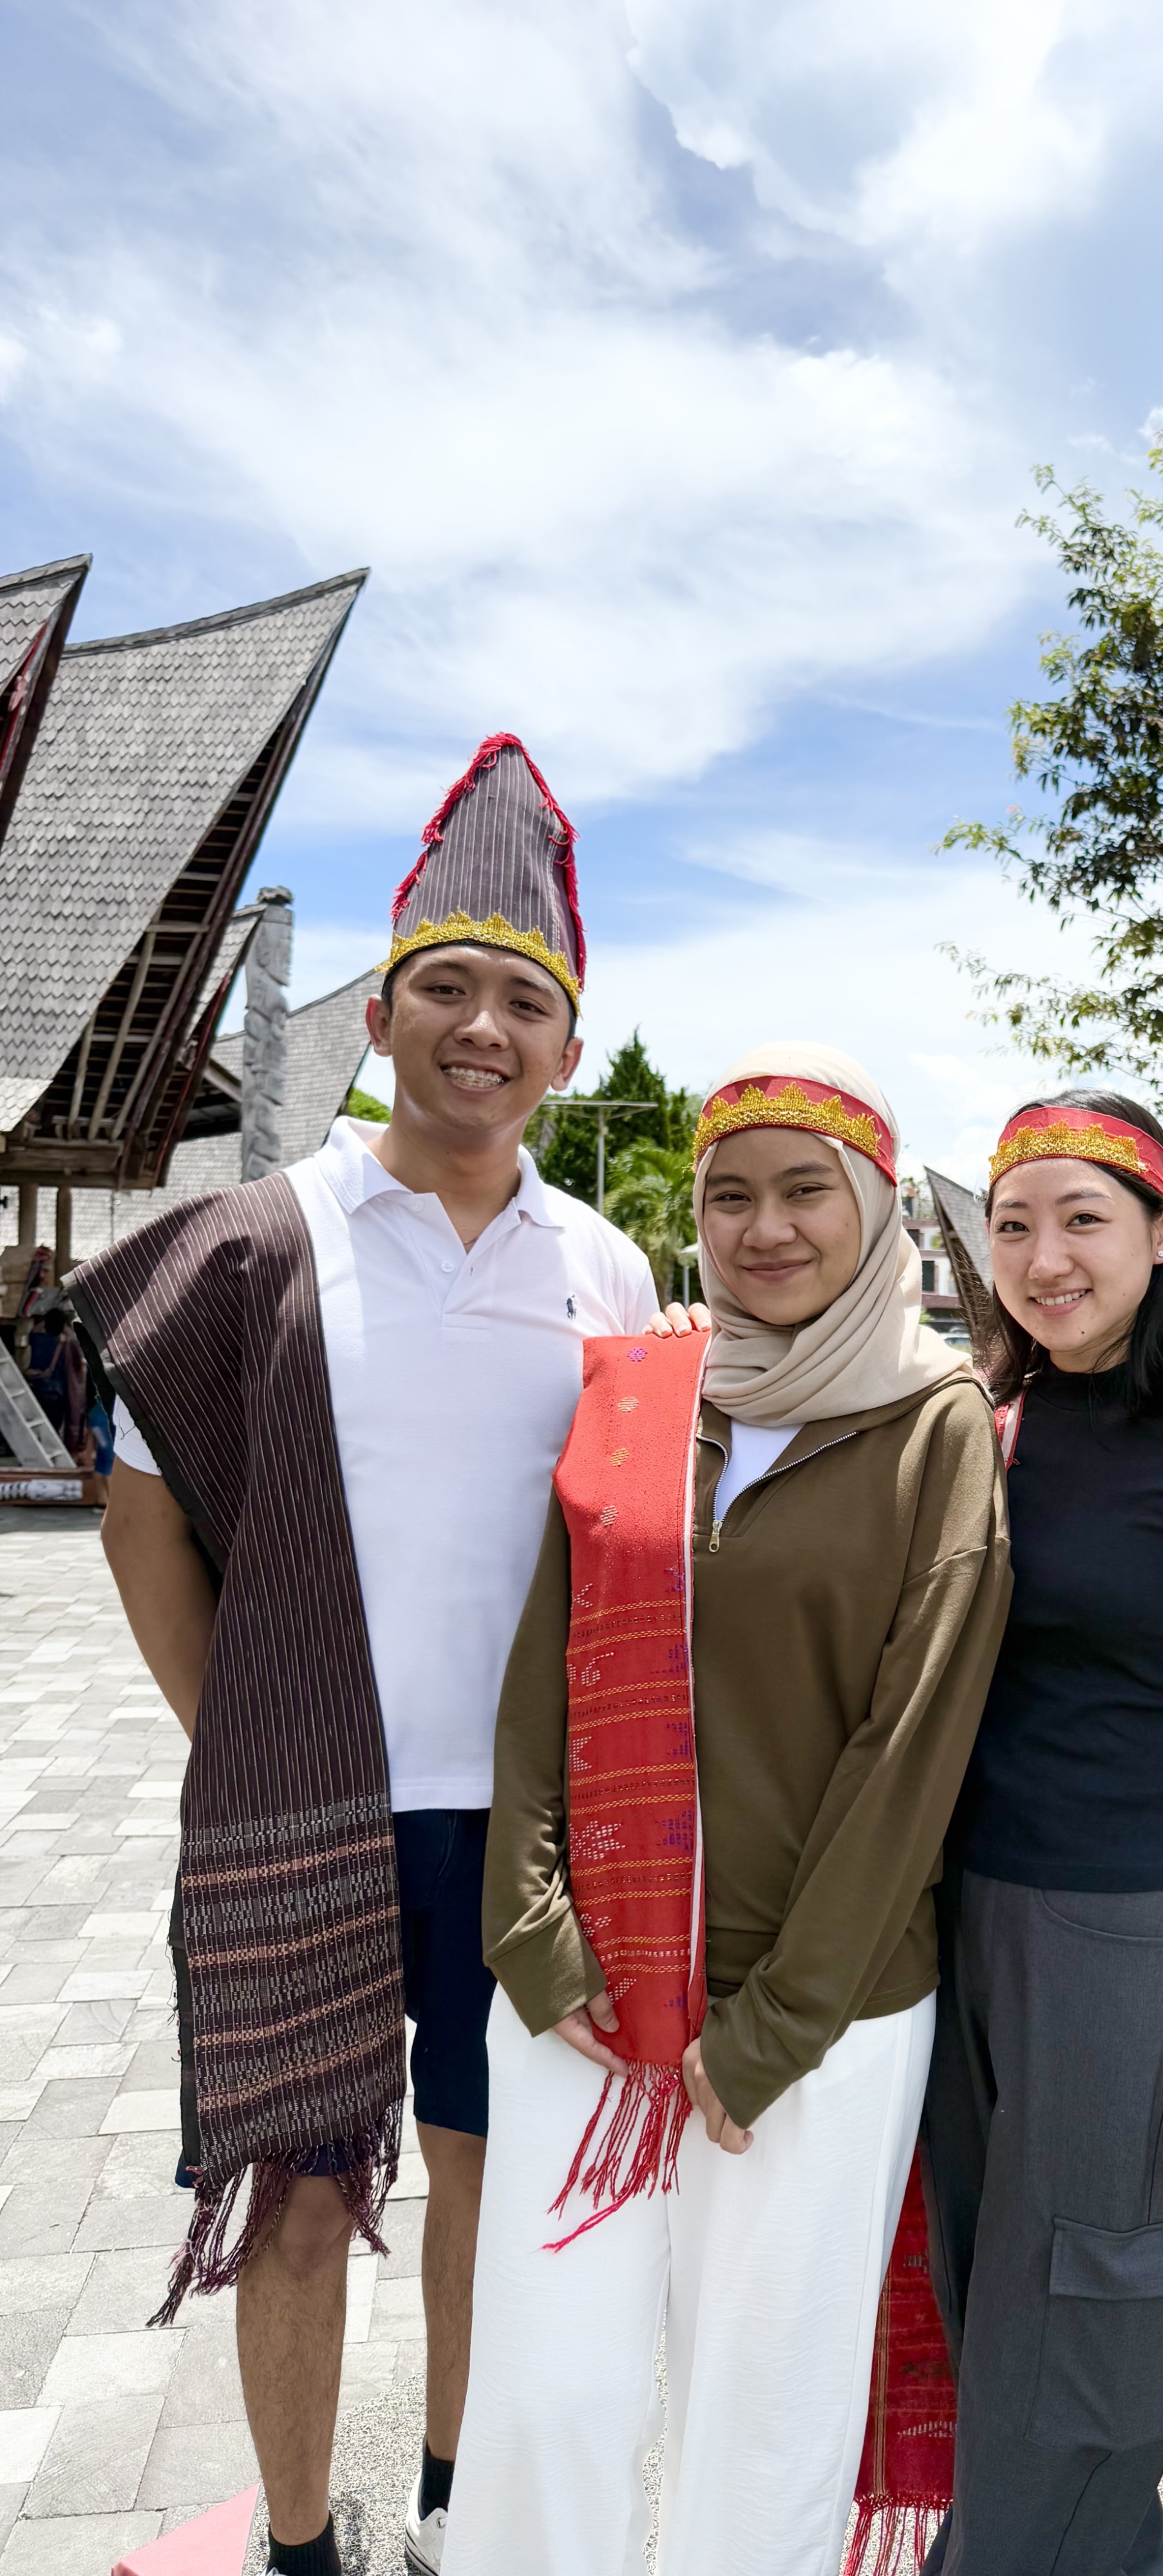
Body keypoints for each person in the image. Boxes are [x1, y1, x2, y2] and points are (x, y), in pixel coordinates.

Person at [73, 735, 659, 2576]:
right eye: (446, 990)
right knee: (303, 2193)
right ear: (386, 1017)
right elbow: (141, 1509)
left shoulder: (608, 1267)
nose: (482, 1030)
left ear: (568, 1048)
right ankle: (302, 2540)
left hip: (523, 1829)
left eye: (524, 1003)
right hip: (314, 1805)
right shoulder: (260, 1241)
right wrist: (237, 1721)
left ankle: (454, 2514)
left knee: (489, 2175)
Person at [448, 1043, 1011, 2576]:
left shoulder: (933, 1424)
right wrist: (529, 1929)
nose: (765, 1226)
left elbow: (910, 1752)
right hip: (590, 1988)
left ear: (878, 1208)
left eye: (804, 1191)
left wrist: (773, 2028)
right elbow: (542, 1674)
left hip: (816, 2019)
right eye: (730, 1194)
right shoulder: (636, 1393)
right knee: (545, 2400)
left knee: (763, 2421)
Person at [920, 1090, 1163, 2576]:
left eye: (1082, 1217)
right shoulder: (973, 1425)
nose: (1042, 1254)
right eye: (1012, 1223)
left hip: (1129, 1931)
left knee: (1091, 2334)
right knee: (984, 2308)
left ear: (1162, 1233)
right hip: (954, 1926)